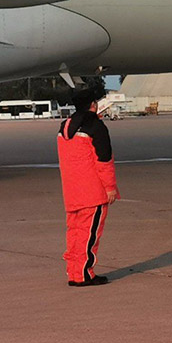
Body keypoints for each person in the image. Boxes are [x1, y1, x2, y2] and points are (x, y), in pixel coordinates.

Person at [57, 89, 119, 287]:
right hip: (93, 191)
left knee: (74, 232)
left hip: (72, 190)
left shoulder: (64, 127)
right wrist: (110, 188)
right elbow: (104, 160)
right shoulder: (96, 126)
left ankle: (74, 272)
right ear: (93, 104)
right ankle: (84, 273)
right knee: (89, 234)